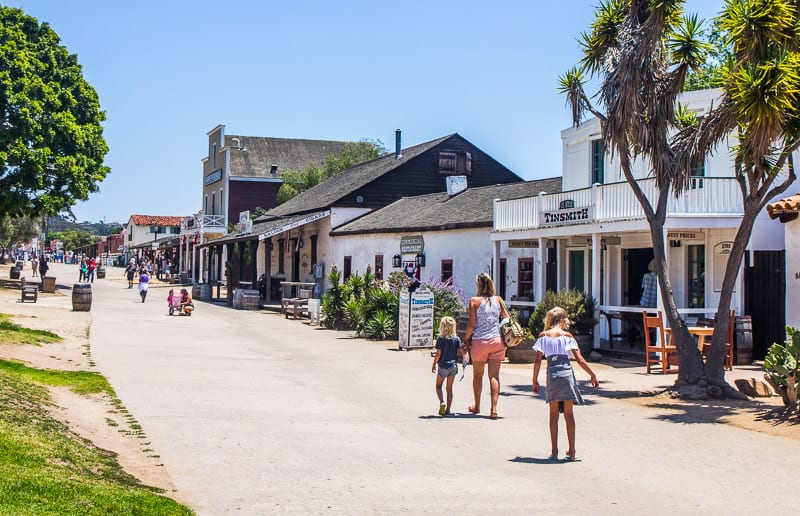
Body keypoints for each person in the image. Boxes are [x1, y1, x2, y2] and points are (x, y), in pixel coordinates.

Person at [532, 307, 599, 462]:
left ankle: (554, 451)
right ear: (563, 321)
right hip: (567, 375)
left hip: (552, 376)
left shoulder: (543, 336)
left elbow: (537, 361)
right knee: (569, 415)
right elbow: (580, 360)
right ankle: (572, 451)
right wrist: (592, 375)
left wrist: (534, 380)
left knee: (553, 415)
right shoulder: (568, 337)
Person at [463, 272, 510, 420]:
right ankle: (494, 410)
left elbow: (471, 325)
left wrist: (465, 340)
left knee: (478, 375)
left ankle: (477, 405)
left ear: (478, 285)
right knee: (494, 376)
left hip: (480, 341)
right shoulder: (498, 300)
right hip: (497, 340)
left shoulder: (474, 301)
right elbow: (507, 318)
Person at [431, 316, 462, 416]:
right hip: (453, 366)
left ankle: (442, 402)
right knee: (449, 388)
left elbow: (438, 354)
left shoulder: (440, 339)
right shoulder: (456, 339)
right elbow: (461, 351)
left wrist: (434, 364)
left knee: (438, 386)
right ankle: (448, 410)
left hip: (443, 366)